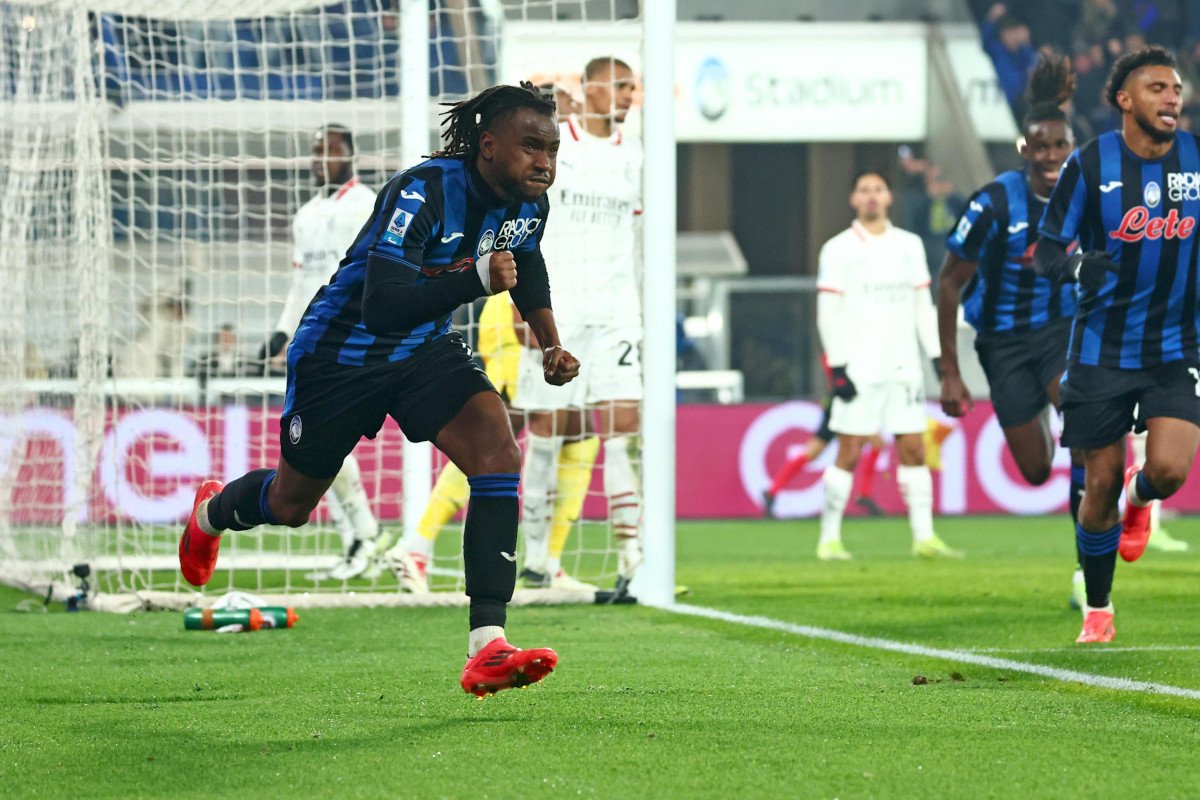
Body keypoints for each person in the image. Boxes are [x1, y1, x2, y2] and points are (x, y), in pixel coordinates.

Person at [178, 82, 580, 696]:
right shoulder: (423, 190)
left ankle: (488, 645)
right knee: (290, 507)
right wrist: (475, 276)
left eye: (551, 149)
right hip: (341, 355)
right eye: (531, 146)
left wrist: (549, 339)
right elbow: (383, 303)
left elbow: (528, 263)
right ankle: (212, 511)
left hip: (422, 351)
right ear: (489, 146)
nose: (544, 162)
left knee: (498, 452)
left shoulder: (529, 203)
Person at [1035, 47, 1200, 643]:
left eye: (1176, 88)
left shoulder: (1196, 158)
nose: (1172, 98)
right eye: (1158, 87)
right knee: (1096, 482)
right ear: (1125, 101)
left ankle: (1143, 499)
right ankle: (1099, 607)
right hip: (1102, 349)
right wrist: (1079, 268)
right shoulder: (1090, 163)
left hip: (1176, 346)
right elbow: (1048, 251)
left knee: (1170, 469)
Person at [938, 55, 1090, 610]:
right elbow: (949, 284)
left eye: (1060, 146)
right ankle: (1061, 437)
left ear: (1072, 147)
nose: (1051, 156)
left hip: (1063, 329)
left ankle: (1086, 570)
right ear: (1025, 150)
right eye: (1041, 147)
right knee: (1031, 470)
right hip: (1001, 343)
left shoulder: (1092, 194)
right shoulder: (994, 202)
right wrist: (950, 372)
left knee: (1086, 420)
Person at [511, 56, 643, 594]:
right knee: (547, 432)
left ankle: (633, 559)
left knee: (624, 428)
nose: (628, 95)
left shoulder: (637, 156)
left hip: (616, 310)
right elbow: (519, 224)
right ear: (587, 89)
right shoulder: (552, 147)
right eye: (618, 85)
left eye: (632, 87)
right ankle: (537, 559)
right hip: (557, 308)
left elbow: (638, 243)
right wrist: (522, 309)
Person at [814, 171, 962, 562]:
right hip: (861, 367)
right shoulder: (838, 248)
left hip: (903, 367)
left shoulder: (909, 246)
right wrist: (838, 366)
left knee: (913, 449)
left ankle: (924, 537)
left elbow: (921, 306)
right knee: (849, 450)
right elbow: (827, 312)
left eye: (878, 189)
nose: (872, 197)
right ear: (853, 200)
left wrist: (936, 356)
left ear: (889, 197)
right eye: (864, 190)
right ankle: (828, 538)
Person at [263, 124, 383, 582]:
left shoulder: (366, 205)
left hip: (353, 336)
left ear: (351, 156)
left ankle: (364, 536)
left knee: (326, 440)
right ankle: (361, 536)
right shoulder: (306, 214)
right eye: (315, 151)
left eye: (330, 150)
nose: (320, 159)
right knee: (318, 440)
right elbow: (300, 282)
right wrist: (280, 332)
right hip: (312, 339)